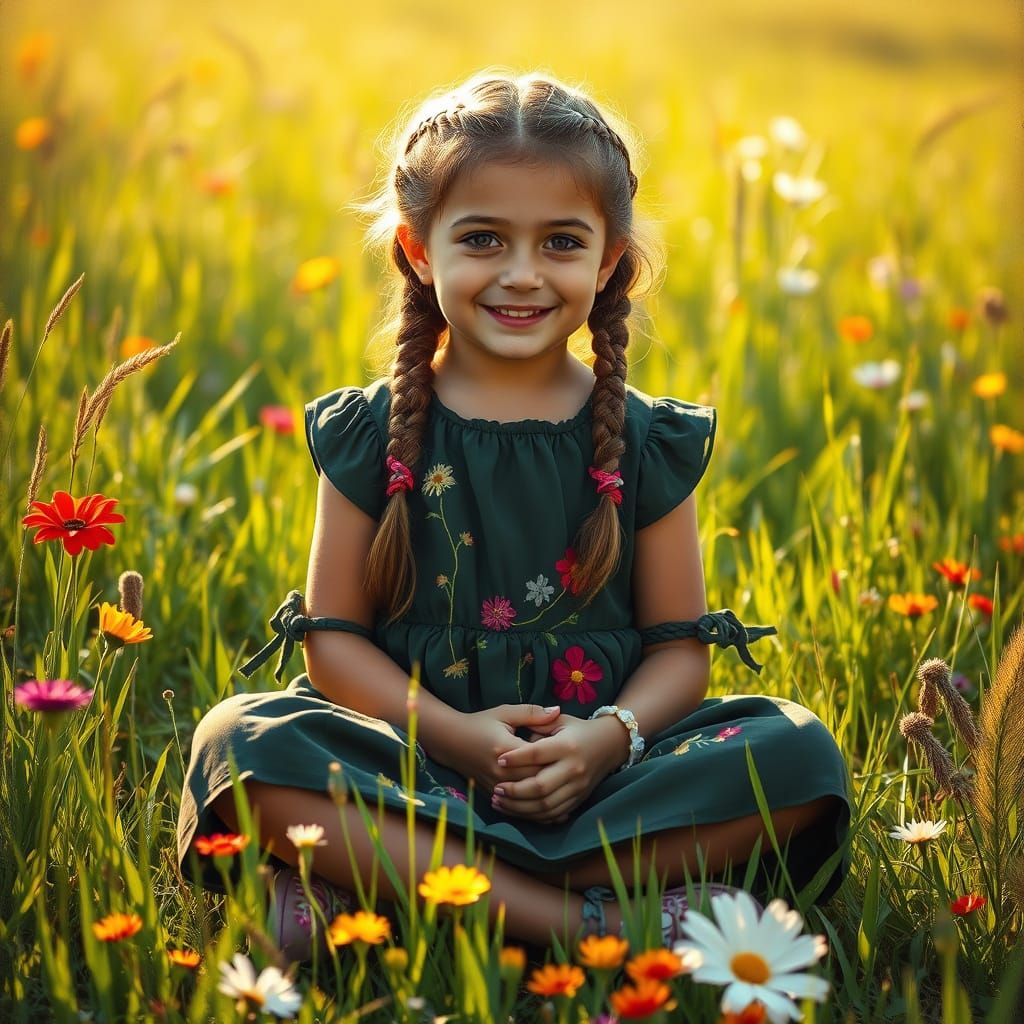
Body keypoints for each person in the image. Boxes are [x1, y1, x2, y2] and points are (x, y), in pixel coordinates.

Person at [176, 69, 852, 961]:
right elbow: (332, 642)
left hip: (600, 774)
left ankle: (388, 886)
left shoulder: (649, 441)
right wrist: (457, 737)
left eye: (562, 242)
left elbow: (680, 651)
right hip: (413, 759)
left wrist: (606, 743)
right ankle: (589, 922)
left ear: (610, 258)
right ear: (419, 251)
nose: (523, 275)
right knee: (243, 742)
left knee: (799, 754)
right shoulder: (367, 432)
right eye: (484, 238)